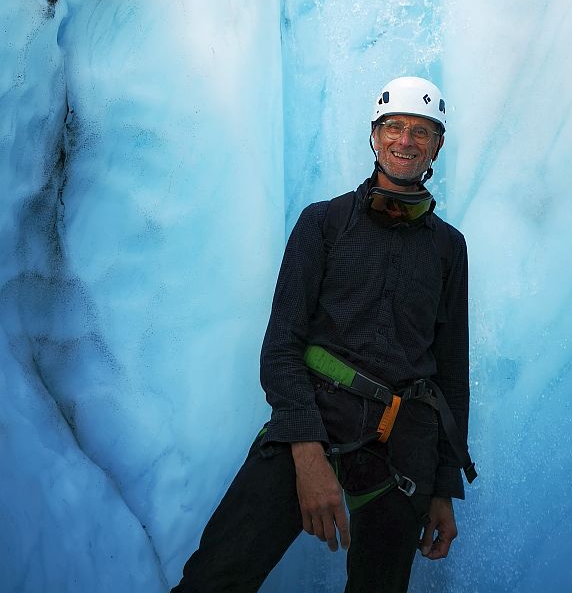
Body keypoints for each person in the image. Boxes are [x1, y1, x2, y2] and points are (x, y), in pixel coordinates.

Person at [171, 76, 475, 593]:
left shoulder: (448, 248)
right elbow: (282, 345)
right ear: (374, 136)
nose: (406, 141)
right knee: (215, 578)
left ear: (437, 146)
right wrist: (306, 454)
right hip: (311, 426)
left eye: (421, 132)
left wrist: (443, 487)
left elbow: (451, 371)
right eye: (394, 127)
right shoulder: (325, 223)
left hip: (404, 449)